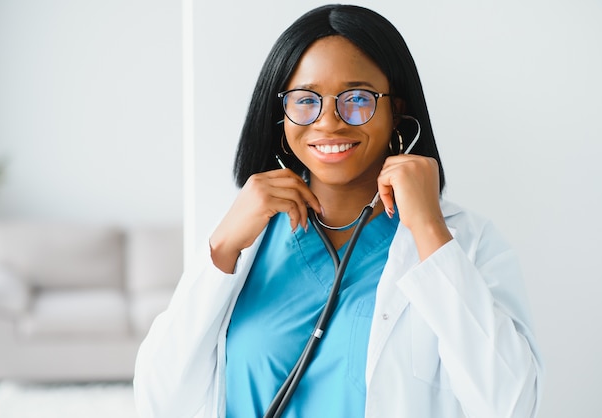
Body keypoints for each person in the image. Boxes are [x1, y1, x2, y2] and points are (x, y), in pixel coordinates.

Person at [133, 4, 543, 418]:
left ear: (396, 108)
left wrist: (428, 228)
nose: (329, 122)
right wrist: (220, 249)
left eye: (358, 98)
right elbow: (158, 402)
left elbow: (510, 404)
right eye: (306, 100)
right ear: (281, 114)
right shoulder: (245, 240)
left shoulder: (465, 242)